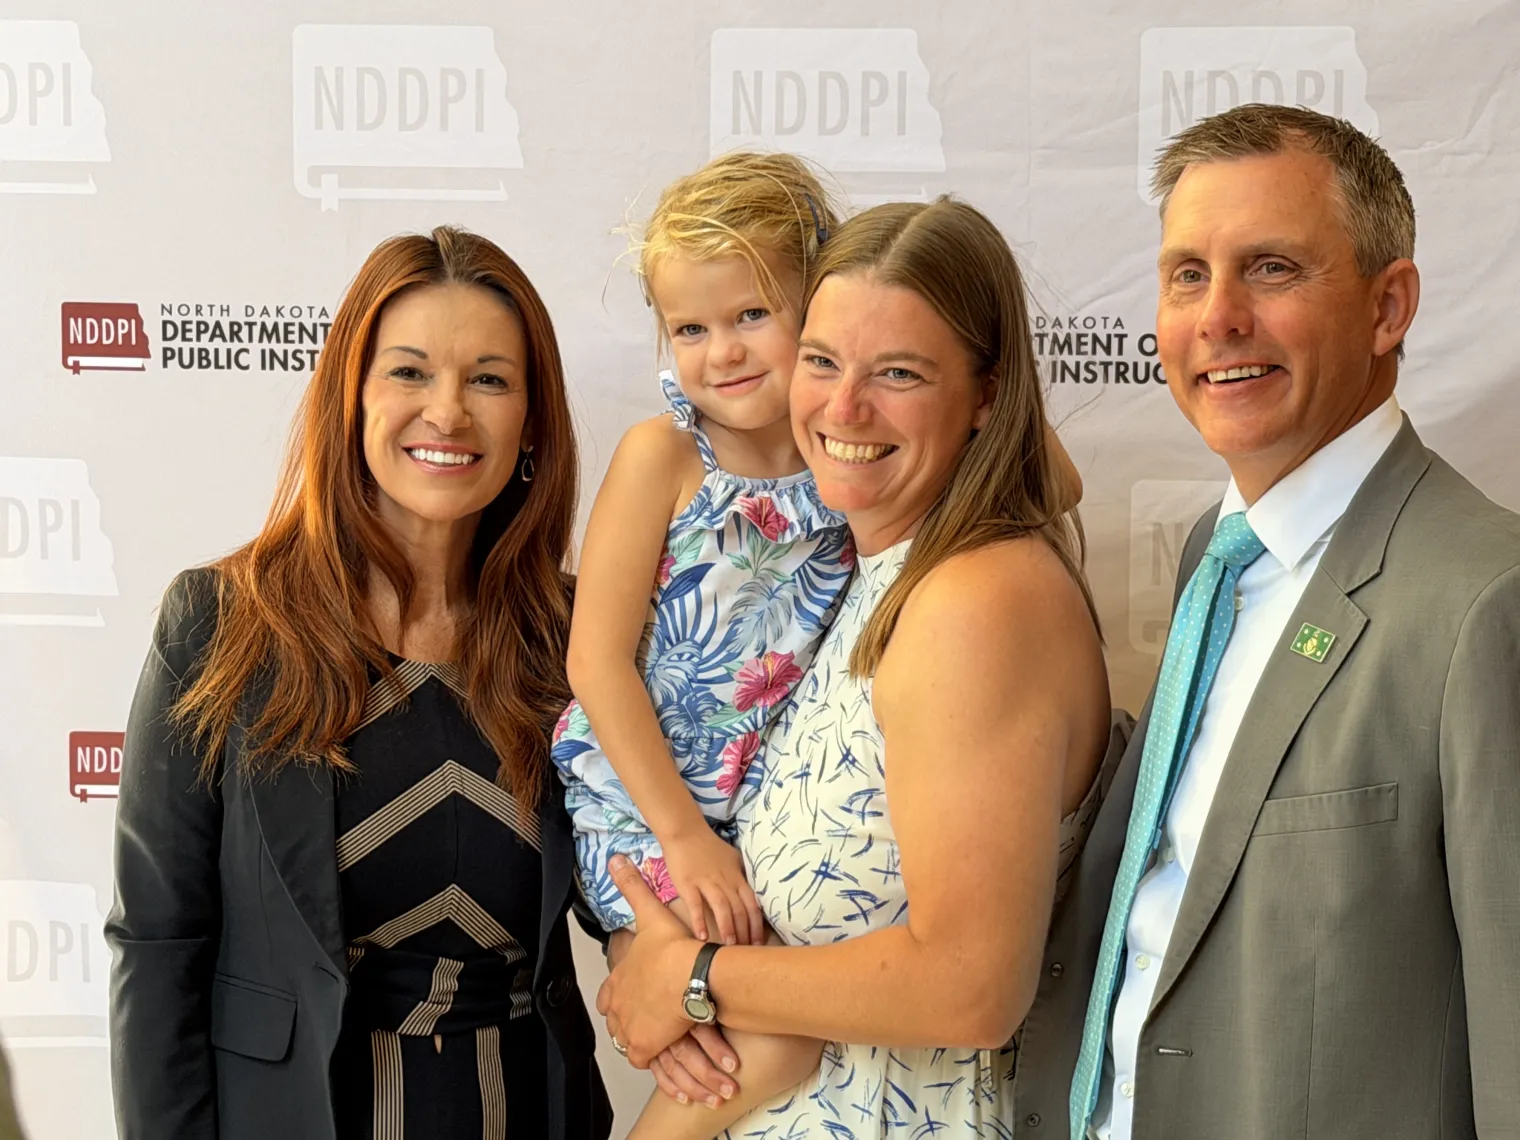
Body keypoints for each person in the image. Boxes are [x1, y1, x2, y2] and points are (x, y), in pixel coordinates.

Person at [1009, 104, 1520, 1140]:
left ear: (1387, 307)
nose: (1218, 317)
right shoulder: (1216, 550)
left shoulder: (1487, 601)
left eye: (1271, 269)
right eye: (1187, 275)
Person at [597, 196, 1116, 1138]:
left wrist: (697, 979)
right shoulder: (860, 566)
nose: (843, 409)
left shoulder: (977, 605)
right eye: (822, 359)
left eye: (899, 373)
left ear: (989, 394)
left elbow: (969, 988)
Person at [104, 226, 612, 1140]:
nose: (448, 412)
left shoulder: (580, 639)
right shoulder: (222, 623)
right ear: (351, 396)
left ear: (533, 421)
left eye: (490, 379)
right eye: (409, 372)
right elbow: (158, 943)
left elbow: (638, 891)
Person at [551, 151, 855, 1139]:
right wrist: (682, 839)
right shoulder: (665, 457)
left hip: (759, 817)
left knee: (761, 1030)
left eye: (751, 315)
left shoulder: (851, 455)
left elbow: (1047, 477)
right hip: (646, 808)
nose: (720, 351)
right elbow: (595, 661)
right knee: (773, 1037)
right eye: (690, 328)